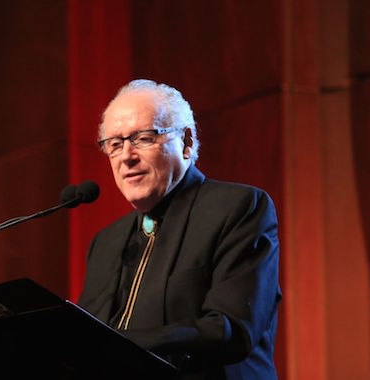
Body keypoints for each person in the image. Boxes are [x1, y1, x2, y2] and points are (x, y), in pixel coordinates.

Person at [78, 79, 281, 379]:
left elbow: (231, 328)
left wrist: (119, 345)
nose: (126, 157)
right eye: (115, 145)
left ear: (186, 142)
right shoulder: (106, 243)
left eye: (144, 138)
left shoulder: (239, 209)